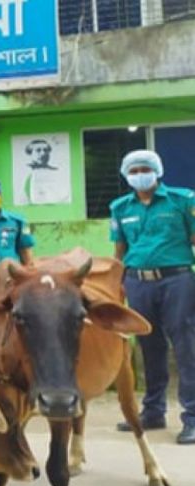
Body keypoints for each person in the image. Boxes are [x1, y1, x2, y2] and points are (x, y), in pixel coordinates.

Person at [109, 150, 195, 445]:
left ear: (157, 171)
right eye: (134, 171)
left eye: (145, 169)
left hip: (177, 280)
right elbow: (119, 250)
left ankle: (192, 417)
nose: (140, 175)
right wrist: (116, 285)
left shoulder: (183, 200)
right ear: (126, 174)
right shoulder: (120, 207)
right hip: (137, 282)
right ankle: (153, 412)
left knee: (186, 346)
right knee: (149, 346)